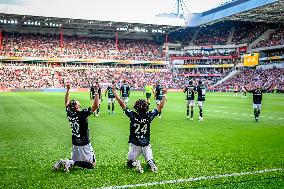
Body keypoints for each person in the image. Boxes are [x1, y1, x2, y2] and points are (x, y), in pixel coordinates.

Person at [112, 85, 167, 173]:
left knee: (129, 163)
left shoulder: (133, 115)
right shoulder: (149, 115)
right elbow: (160, 107)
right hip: (146, 144)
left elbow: (122, 104)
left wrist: (115, 93)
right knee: (150, 160)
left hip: (135, 144)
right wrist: (164, 95)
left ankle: (135, 163)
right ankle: (151, 163)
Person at [53, 84, 99, 172]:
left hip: (75, 143)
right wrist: (96, 92)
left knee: (75, 162)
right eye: (77, 102)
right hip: (84, 143)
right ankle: (70, 162)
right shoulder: (82, 114)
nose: (78, 102)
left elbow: (66, 103)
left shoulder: (70, 113)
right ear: (77, 107)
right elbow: (96, 106)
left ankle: (63, 161)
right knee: (92, 164)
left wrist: (67, 90)